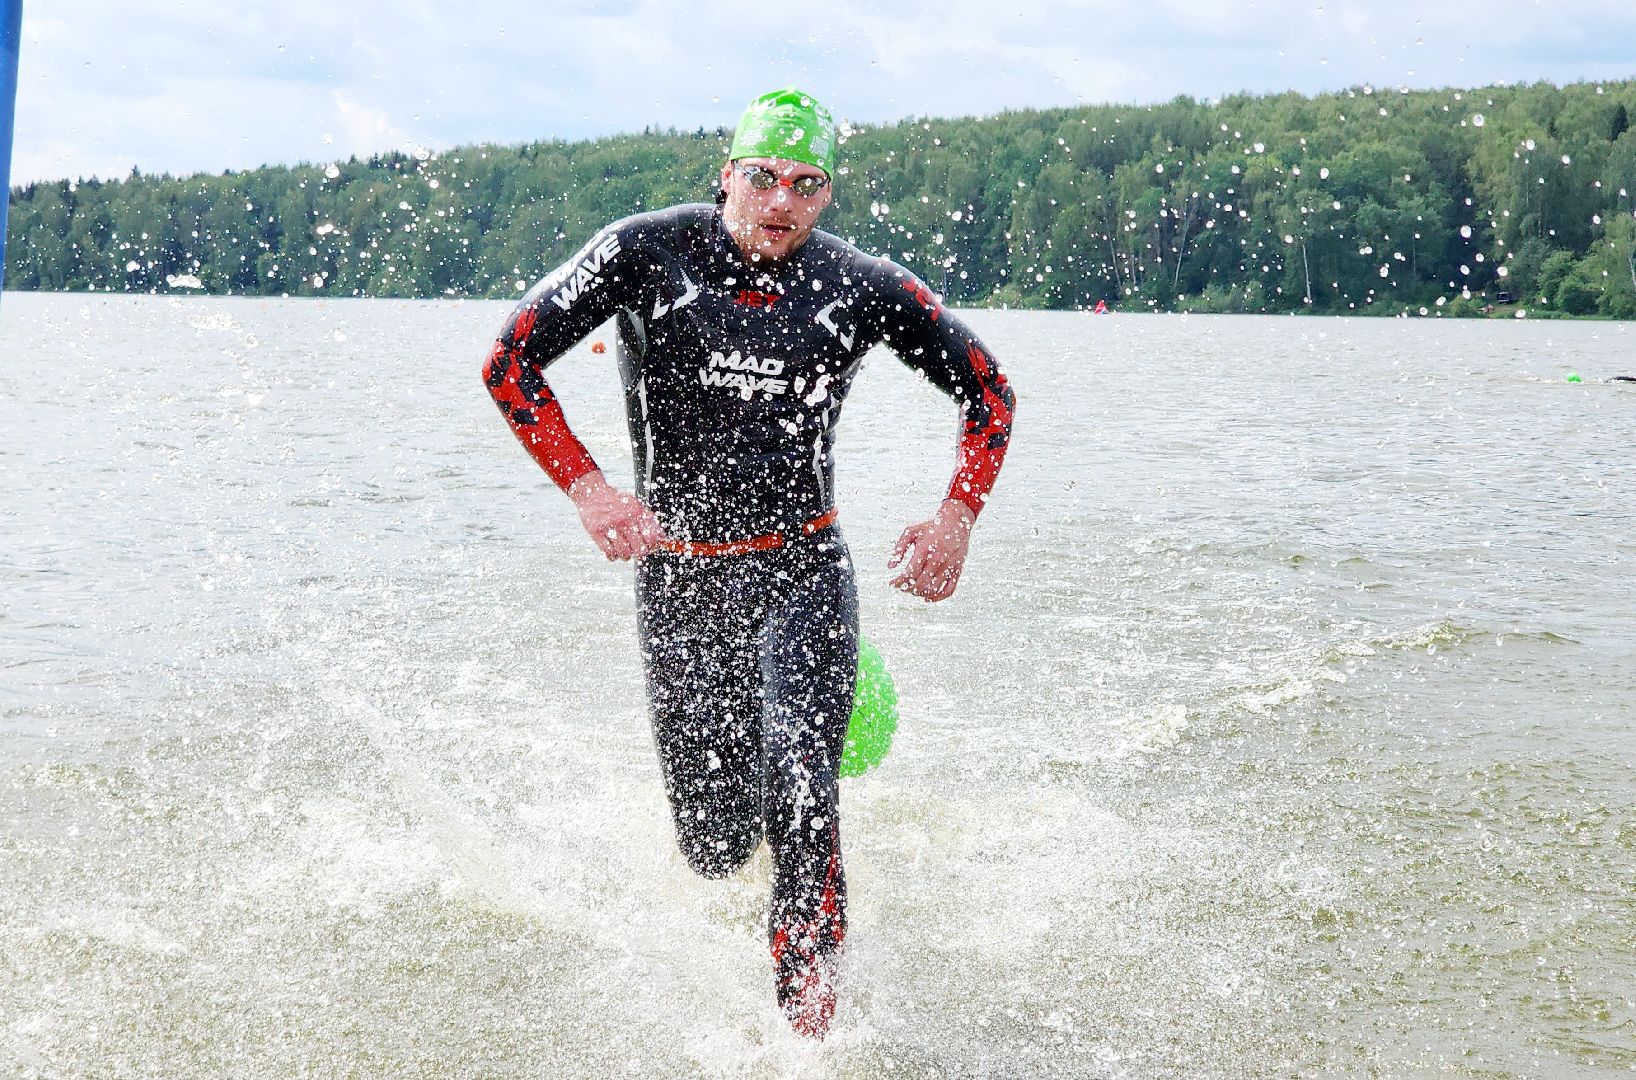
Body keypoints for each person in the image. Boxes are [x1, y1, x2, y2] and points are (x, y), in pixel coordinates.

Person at [481, 88, 1016, 1038]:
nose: (782, 201)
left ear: (827, 196)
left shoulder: (859, 285)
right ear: (725, 175)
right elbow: (511, 361)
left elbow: (990, 391)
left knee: (805, 785)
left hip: (802, 569)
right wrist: (590, 489)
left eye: (808, 185)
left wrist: (956, 517)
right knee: (714, 846)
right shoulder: (647, 253)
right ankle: (774, 868)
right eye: (764, 177)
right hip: (681, 581)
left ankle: (809, 1035)